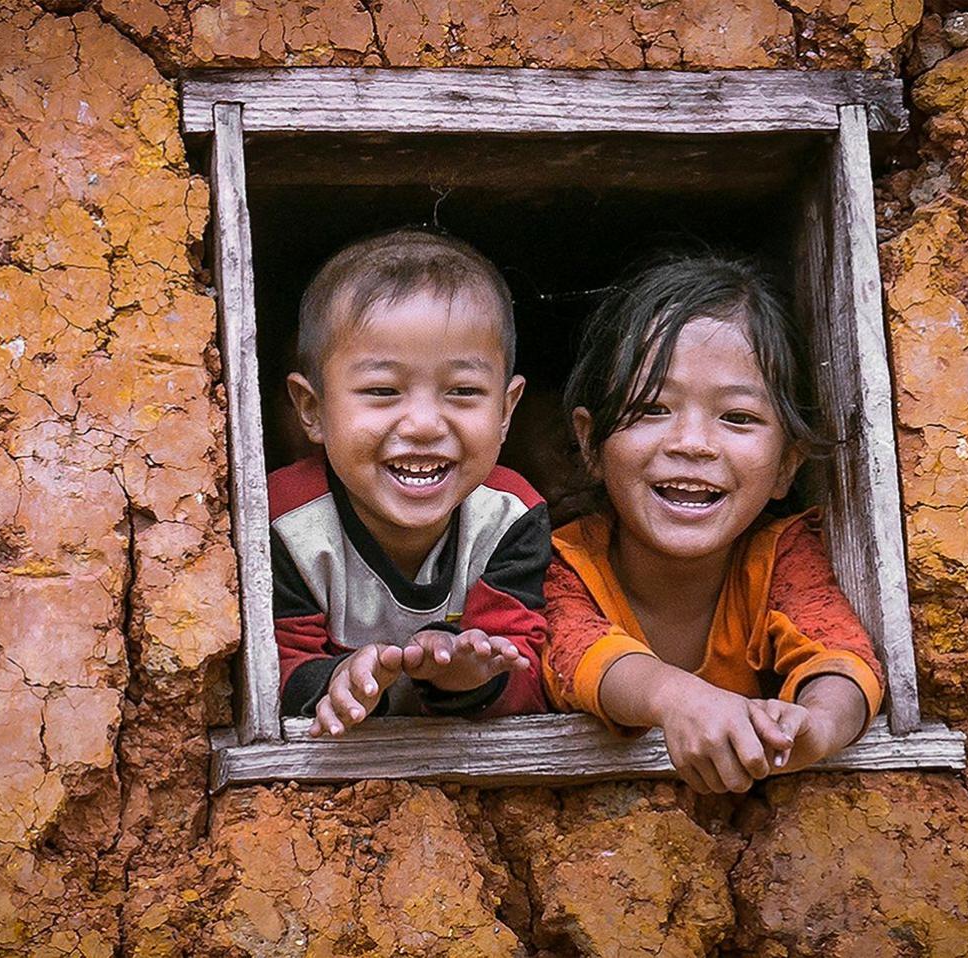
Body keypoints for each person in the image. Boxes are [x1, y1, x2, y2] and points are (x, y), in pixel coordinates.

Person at [543, 254, 885, 793]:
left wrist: (816, 727)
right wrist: (678, 699)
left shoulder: (779, 558)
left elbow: (839, 655)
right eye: (652, 409)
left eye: (738, 418)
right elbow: (575, 652)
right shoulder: (563, 562)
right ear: (590, 444)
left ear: (787, 466)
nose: (692, 443)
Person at [270, 228, 550, 737]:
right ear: (312, 409)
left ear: (506, 411)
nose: (423, 424)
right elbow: (276, 664)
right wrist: (338, 680)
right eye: (382, 390)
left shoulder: (511, 516)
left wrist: (468, 678)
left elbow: (530, 673)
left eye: (463, 391)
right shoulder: (285, 523)